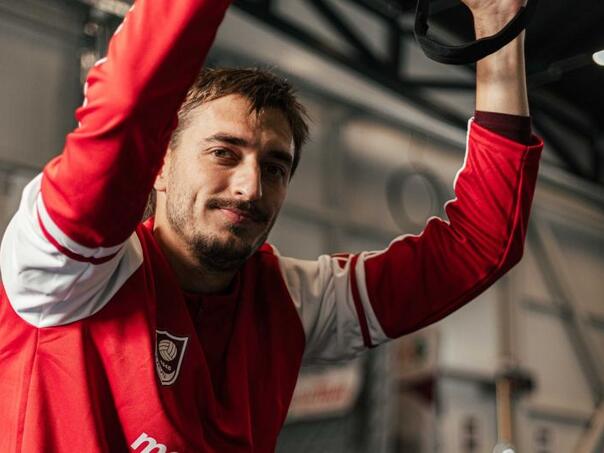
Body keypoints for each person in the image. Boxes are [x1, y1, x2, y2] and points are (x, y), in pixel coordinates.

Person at [0, 0, 542, 451]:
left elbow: (480, 243)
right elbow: (127, 107)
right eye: (223, 152)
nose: (250, 186)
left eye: (275, 167)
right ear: (158, 166)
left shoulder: (290, 302)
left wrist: (497, 21)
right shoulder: (66, 273)